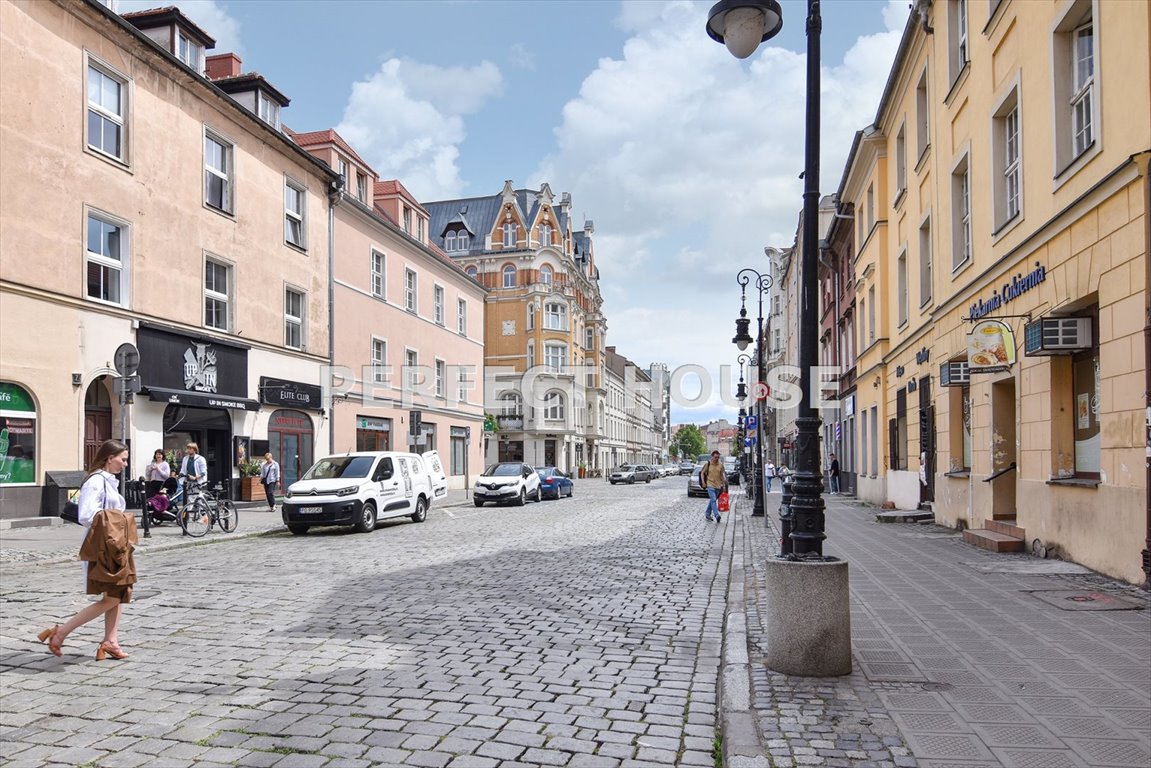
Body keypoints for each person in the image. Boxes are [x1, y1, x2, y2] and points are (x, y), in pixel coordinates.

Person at [37, 439, 137, 660]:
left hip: (114, 545)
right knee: (111, 597)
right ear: (110, 458)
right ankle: (60, 632)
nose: (125, 464)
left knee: (118, 593)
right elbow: (86, 515)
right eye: (123, 459)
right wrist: (118, 521)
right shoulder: (96, 481)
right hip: (101, 546)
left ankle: (111, 641)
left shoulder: (108, 481)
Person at [699, 450, 729, 523]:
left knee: (713, 500)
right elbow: (702, 473)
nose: (717, 459)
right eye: (715, 457)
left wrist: (724, 485)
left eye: (718, 457)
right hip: (710, 484)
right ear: (712, 456)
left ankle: (707, 513)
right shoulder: (708, 464)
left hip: (718, 486)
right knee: (713, 499)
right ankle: (717, 515)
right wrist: (703, 482)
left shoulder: (721, 465)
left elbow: (722, 475)